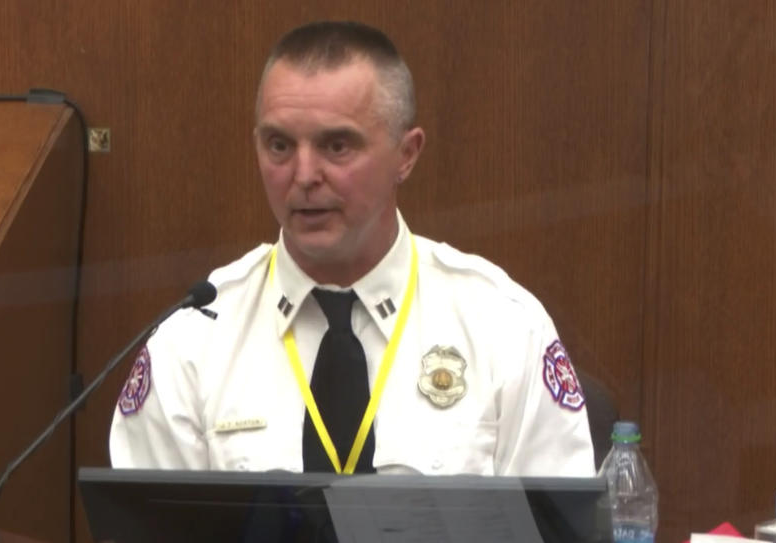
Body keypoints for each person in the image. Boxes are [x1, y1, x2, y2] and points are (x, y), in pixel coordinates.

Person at [109, 21, 594, 477]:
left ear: (407, 154)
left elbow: (561, 526)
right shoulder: (194, 342)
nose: (303, 176)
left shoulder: (501, 327)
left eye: (336, 146)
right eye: (279, 145)